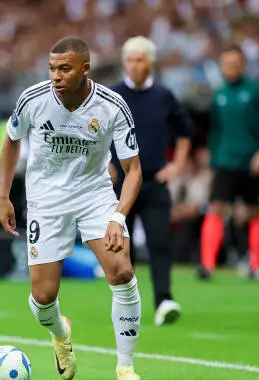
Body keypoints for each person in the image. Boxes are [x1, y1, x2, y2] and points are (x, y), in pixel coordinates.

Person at [0, 37, 146, 380]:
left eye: (64, 68)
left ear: (84, 68)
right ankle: (61, 334)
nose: (56, 76)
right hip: (46, 202)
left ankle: (126, 370)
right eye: (52, 68)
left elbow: (134, 169)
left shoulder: (112, 106)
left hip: (94, 196)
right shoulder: (33, 99)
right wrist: (3, 195)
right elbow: (11, 140)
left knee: (122, 272)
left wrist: (118, 217)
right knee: (44, 296)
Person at [109, 36, 193, 327]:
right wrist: (104, 163)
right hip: (121, 183)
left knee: (159, 242)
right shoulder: (113, 96)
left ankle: (163, 301)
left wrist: (178, 164)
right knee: (121, 247)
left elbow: (184, 131)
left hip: (155, 179)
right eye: (129, 60)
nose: (133, 65)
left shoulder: (164, 96)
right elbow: (96, 134)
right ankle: (124, 304)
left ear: (151, 63)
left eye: (139, 59)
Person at [198, 45, 259, 281]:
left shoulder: (257, 92)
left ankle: (256, 266)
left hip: (251, 160)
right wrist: (213, 163)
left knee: (256, 210)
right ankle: (207, 265)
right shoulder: (219, 94)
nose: (230, 69)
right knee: (216, 207)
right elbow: (215, 132)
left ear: (243, 65)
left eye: (234, 64)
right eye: (226, 65)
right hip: (225, 160)